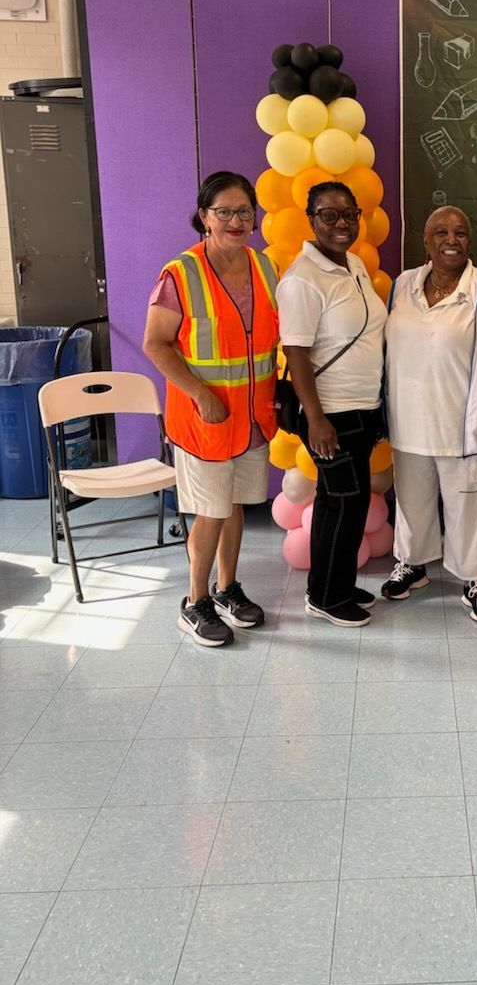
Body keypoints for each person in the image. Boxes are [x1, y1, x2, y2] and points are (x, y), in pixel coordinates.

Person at [143, 172, 278, 647]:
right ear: (204, 217)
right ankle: (194, 601)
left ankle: (227, 589)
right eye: (225, 212)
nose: (237, 220)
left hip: (253, 417)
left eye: (245, 211)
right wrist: (199, 393)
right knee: (210, 511)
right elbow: (156, 344)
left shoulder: (265, 267)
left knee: (235, 505)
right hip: (205, 418)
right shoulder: (179, 274)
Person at [381, 205, 477, 623]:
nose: (451, 240)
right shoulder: (402, 285)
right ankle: (412, 564)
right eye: (441, 232)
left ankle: (474, 579)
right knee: (412, 502)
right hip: (408, 423)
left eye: (459, 232)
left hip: (467, 427)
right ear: (426, 242)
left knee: (470, 507)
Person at [276, 181, 387, 627]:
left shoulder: (354, 264)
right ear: (311, 219)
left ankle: (331, 581)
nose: (341, 224)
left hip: (361, 407)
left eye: (349, 214)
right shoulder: (302, 278)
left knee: (341, 501)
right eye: (329, 215)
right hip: (330, 413)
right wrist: (317, 418)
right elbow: (296, 351)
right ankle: (326, 595)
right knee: (344, 502)